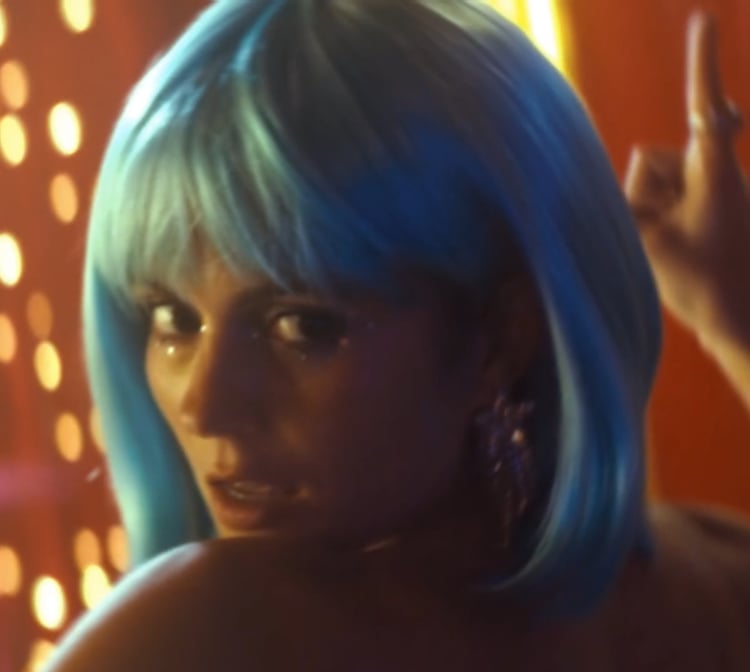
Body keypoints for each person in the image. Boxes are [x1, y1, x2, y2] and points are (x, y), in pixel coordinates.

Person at [46, 2, 750, 670]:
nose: (206, 405)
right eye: (174, 319)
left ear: (498, 338)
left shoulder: (209, 629)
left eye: (301, 325)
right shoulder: (711, 578)